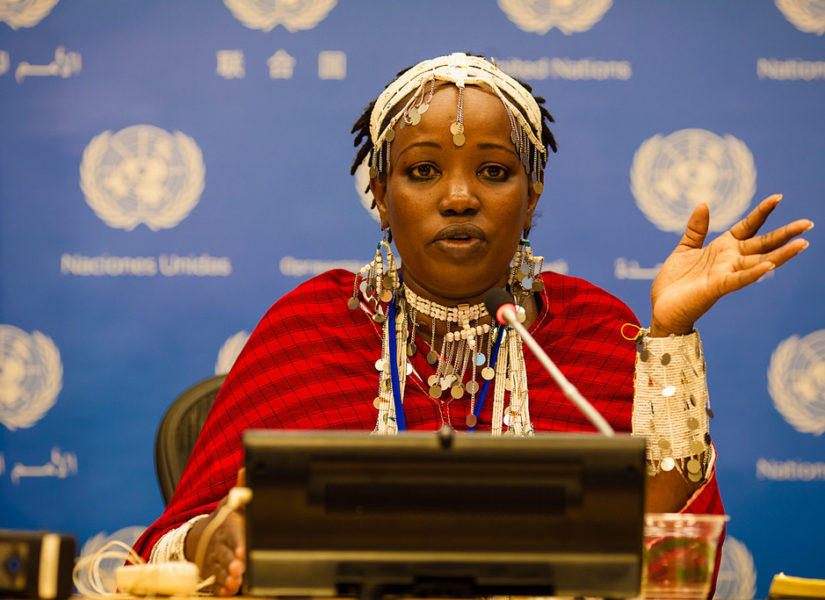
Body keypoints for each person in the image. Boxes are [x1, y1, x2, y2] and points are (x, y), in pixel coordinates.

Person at [133, 53, 812, 596]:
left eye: (492, 171)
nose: (459, 197)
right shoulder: (312, 324)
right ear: (380, 195)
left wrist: (669, 335)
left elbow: (664, 558)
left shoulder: (599, 330)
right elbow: (171, 545)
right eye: (423, 170)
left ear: (531, 195)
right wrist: (214, 539)